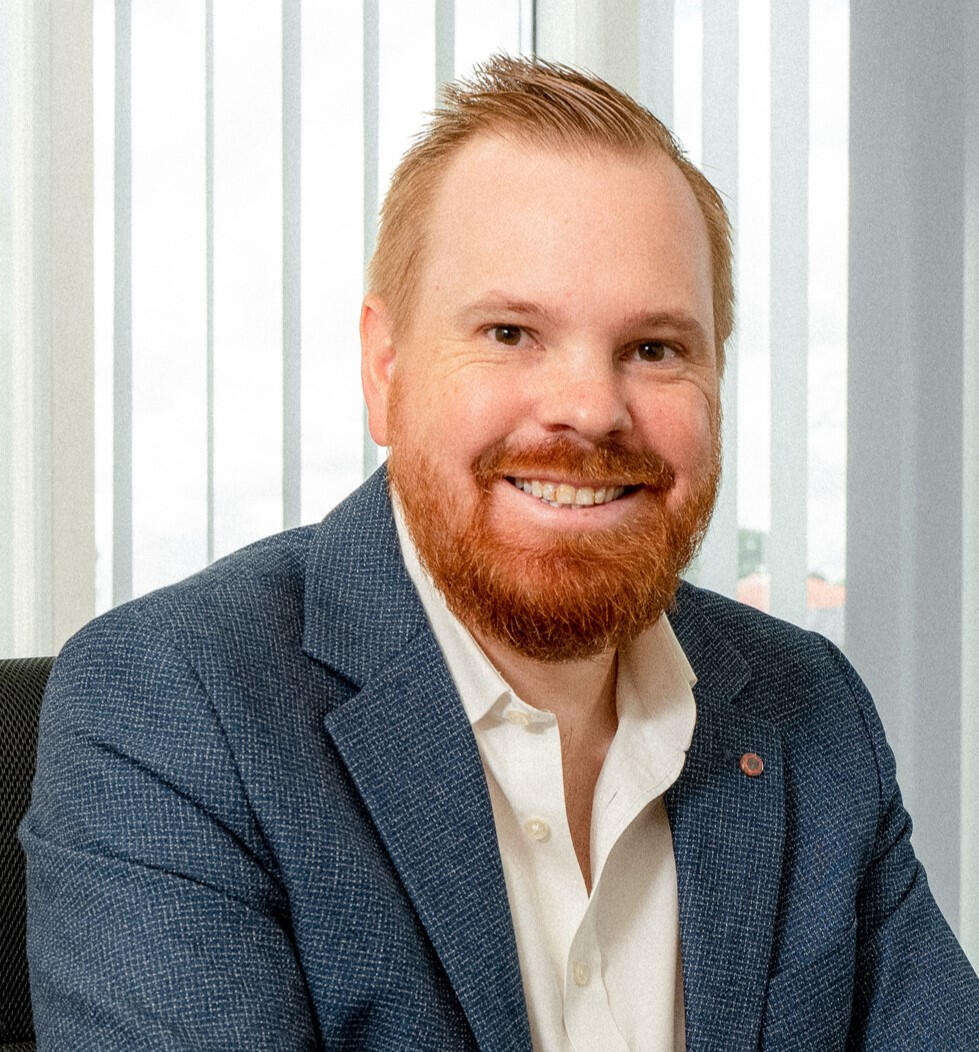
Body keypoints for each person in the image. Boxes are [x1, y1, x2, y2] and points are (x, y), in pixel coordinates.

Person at [21, 56, 978, 1051]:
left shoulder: (808, 710)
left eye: (654, 348)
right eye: (511, 331)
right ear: (384, 369)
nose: (590, 409)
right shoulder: (174, 708)